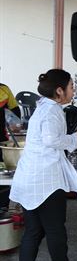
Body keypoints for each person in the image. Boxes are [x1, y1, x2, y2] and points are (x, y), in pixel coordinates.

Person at [10, 69, 77, 261]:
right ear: (59, 90)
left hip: (31, 176)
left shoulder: (43, 106)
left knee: (33, 229)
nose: (74, 91)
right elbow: (51, 139)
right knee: (54, 228)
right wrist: (76, 138)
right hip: (45, 179)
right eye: (71, 87)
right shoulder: (53, 111)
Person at [0, 80, 21, 217]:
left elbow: (15, 112)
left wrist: (14, 123)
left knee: (3, 175)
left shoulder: (4, 90)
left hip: (1, 141)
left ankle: (2, 209)